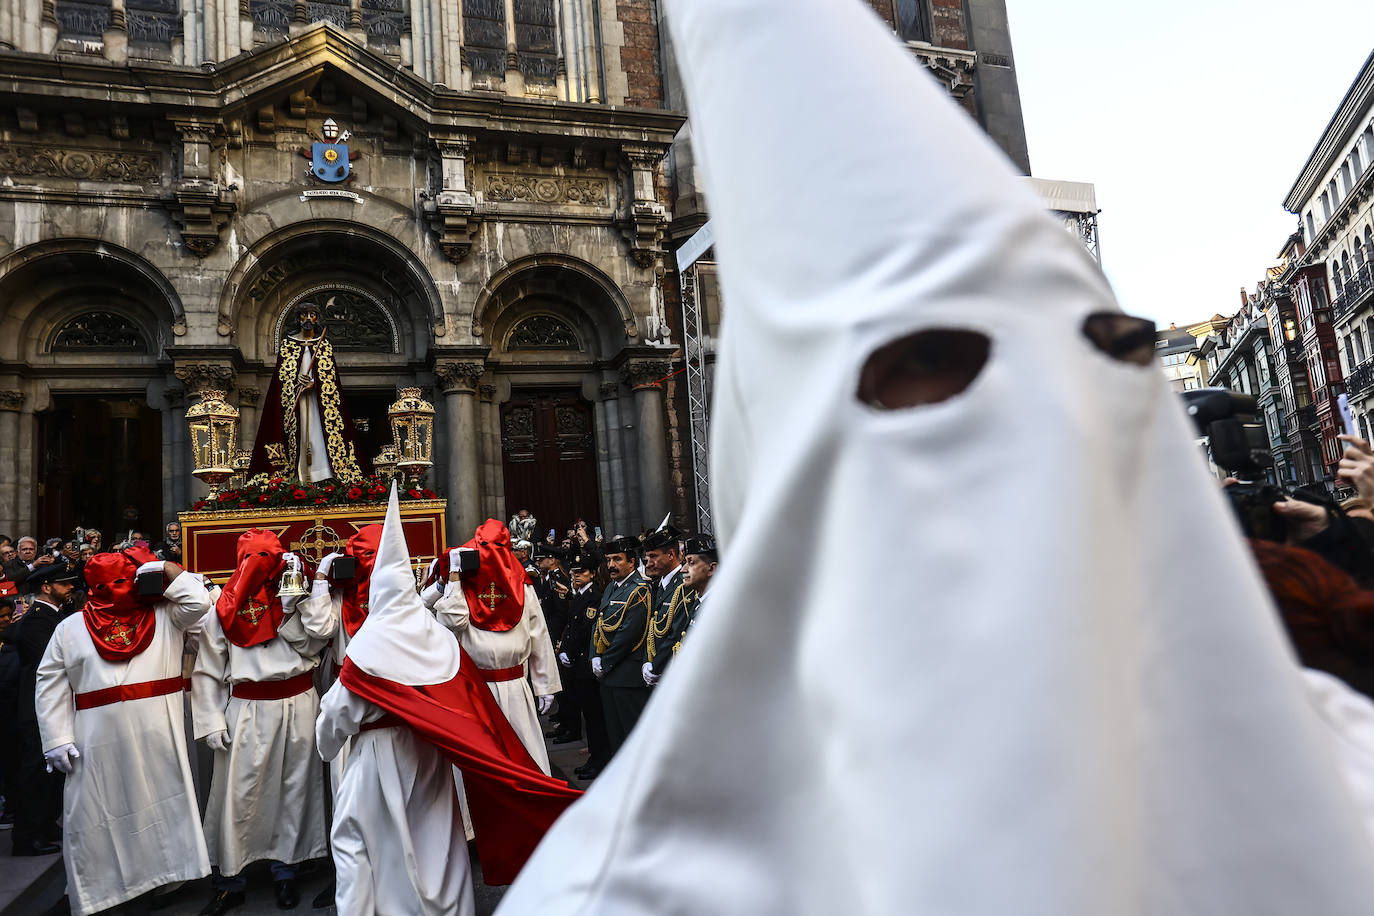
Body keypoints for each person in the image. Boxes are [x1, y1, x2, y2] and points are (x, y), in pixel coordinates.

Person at [496, 0, 1374, 912]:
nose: (1059, 416)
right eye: (940, 363)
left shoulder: (1345, 765)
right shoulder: (622, 894)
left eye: (1107, 349)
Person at [317, 486, 581, 912]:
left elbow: (336, 715)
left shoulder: (366, 646)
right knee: (438, 837)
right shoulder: (435, 636)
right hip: (430, 749)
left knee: (363, 842)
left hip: (378, 754)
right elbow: (461, 691)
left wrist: (327, 746)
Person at [35, 549, 213, 916]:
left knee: (159, 805)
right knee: (96, 814)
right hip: (94, 742)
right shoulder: (69, 629)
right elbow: (49, 683)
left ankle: (164, 878)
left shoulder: (165, 615)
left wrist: (164, 568)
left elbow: (198, 601)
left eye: (122, 580)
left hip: (157, 733)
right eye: (105, 585)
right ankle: (100, 888)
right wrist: (57, 738)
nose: (114, 591)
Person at [192, 530, 331, 915]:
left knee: (294, 792)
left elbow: (316, 643)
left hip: (298, 701)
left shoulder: (294, 595)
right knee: (240, 795)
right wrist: (210, 720)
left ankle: (286, 873)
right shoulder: (222, 605)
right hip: (248, 708)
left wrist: (292, 606)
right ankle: (230, 880)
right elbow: (207, 667)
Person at [430, 520, 561, 774]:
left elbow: (538, 634)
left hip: (515, 686)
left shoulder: (522, 585)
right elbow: (450, 621)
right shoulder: (462, 584)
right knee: (482, 764)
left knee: (525, 757)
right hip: (475, 687)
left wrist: (545, 685)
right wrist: (455, 578)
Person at [248, 300, 366, 482]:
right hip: (295, 401)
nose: (308, 319)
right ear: (298, 319)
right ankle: (298, 476)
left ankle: (323, 473)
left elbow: (330, 379)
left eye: (312, 315)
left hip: (318, 402)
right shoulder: (288, 345)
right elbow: (281, 379)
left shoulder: (324, 345)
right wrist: (296, 383)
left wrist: (315, 385)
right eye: (304, 315)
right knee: (298, 432)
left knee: (319, 431)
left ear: (317, 319)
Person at [10, 562, 78, 857]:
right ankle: (26, 835)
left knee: (50, 773)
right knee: (36, 771)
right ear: (47, 588)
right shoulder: (39, 620)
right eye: (64, 584)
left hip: (48, 705)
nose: (71, 587)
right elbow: (50, 666)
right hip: (36, 706)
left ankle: (45, 823)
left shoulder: (52, 616)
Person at [588, 536, 652, 756]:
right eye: (608, 560)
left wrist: (604, 662)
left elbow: (628, 634)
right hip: (609, 676)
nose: (611, 565)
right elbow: (599, 624)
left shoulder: (640, 590)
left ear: (632, 562)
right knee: (616, 738)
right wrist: (594, 656)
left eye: (617, 559)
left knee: (632, 739)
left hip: (627, 675)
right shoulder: (611, 588)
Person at [554, 552, 609, 778]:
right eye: (574, 573)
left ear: (593, 574)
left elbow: (587, 628)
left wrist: (570, 650)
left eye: (582, 573)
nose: (576, 576)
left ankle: (599, 761)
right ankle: (595, 758)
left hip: (586, 662)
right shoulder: (579, 594)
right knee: (590, 714)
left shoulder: (593, 595)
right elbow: (573, 624)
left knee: (595, 718)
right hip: (578, 662)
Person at [646, 533, 717, 684]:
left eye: (691, 563)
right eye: (685, 562)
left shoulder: (717, 609)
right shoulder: (699, 604)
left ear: (711, 569)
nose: (684, 569)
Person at [639, 527, 683, 688]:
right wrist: (647, 662)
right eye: (647, 557)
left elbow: (676, 632)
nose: (648, 563)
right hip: (657, 670)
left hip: (672, 670)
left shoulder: (684, 585)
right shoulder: (660, 585)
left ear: (671, 555)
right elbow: (652, 629)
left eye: (653, 557)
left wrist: (655, 666)